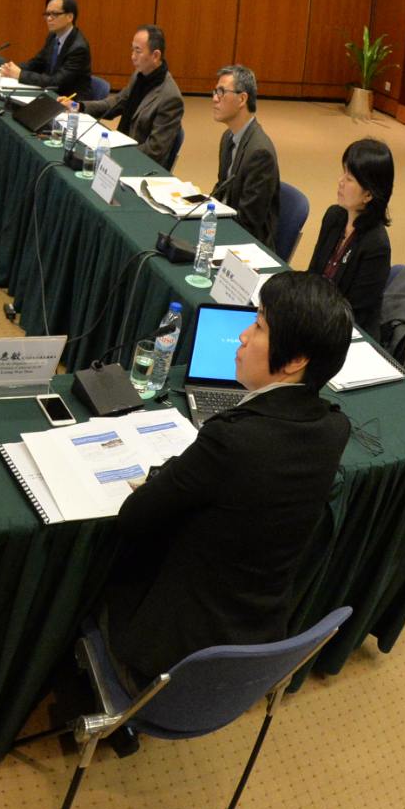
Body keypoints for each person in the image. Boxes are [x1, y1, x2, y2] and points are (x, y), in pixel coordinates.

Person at [100, 273, 353, 684]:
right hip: (256, 636)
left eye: (260, 326)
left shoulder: (233, 439)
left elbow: (134, 518)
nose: (243, 336)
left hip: (173, 648)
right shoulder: (334, 428)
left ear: (294, 361)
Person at [306, 139, 393, 333]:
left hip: (345, 332)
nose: (341, 181)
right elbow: (313, 275)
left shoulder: (376, 245)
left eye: (350, 178)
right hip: (317, 320)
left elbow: (355, 315)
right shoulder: (334, 216)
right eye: (343, 172)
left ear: (368, 195)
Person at [81, 25, 184, 170]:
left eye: (138, 51)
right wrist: (81, 107)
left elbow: (154, 151)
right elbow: (116, 103)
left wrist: (116, 154)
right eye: (132, 50)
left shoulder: (170, 98)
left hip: (139, 167)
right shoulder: (140, 75)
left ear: (155, 56)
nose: (133, 56)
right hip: (119, 151)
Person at [209, 64, 279, 252]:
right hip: (225, 226)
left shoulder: (260, 153)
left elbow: (249, 223)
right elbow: (222, 189)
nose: (214, 98)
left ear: (242, 99)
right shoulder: (228, 137)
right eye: (215, 92)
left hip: (246, 246)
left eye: (221, 92)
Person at [2, 0, 91, 98]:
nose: (49, 18)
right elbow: (37, 62)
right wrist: (11, 69)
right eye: (47, 14)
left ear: (70, 17)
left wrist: (20, 74)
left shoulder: (78, 48)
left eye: (55, 14)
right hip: (51, 93)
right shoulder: (53, 36)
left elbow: (56, 82)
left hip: (68, 100)